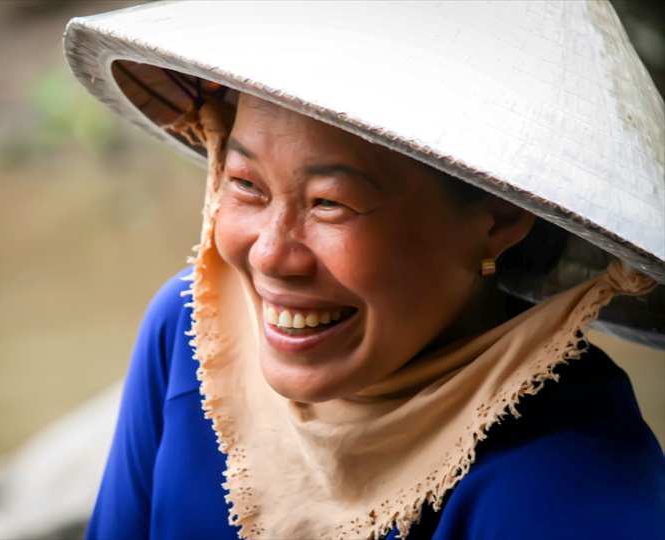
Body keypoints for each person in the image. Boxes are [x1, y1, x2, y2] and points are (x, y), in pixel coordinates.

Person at [64, 2, 665, 539]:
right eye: (245, 185)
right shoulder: (193, 332)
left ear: (501, 216)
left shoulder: (567, 491)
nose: (271, 255)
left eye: (330, 202)